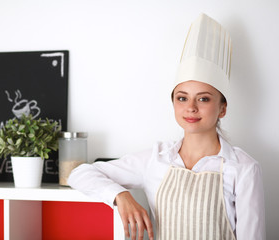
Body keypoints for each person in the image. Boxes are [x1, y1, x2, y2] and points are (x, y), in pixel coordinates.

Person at [68, 13, 265, 240]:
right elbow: (80, 174)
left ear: (222, 108)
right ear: (173, 103)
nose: (190, 107)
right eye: (182, 98)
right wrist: (121, 195)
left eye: (203, 99)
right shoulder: (156, 159)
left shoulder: (243, 168)